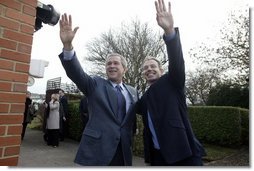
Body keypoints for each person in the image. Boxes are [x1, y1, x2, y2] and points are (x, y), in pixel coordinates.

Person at [58, 13, 139, 166]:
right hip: (97, 151)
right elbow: (76, 73)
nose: (112, 66)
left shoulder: (133, 92)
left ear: (125, 69)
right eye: (108, 64)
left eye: (116, 63)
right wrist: (68, 46)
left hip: (123, 152)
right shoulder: (95, 84)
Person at [136, 0, 205, 166]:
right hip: (159, 158)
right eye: (145, 68)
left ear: (161, 70)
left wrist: (169, 31)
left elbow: (177, 61)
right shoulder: (144, 98)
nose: (149, 69)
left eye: (153, 66)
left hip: (184, 153)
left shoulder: (173, 81)